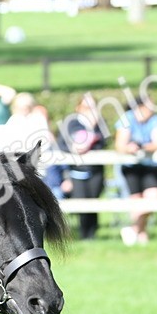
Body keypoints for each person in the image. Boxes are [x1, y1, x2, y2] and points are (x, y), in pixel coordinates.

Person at [57, 94, 107, 240]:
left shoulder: (100, 124)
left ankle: (92, 235)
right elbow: (67, 146)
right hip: (76, 171)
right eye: (86, 107)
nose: (89, 111)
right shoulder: (71, 123)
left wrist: (93, 127)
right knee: (81, 201)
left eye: (92, 107)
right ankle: (83, 234)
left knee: (93, 201)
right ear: (78, 107)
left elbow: (102, 143)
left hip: (95, 170)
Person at [114, 99, 157, 245]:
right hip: (131, 166)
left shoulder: (155, 119)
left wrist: (144, 147)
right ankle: (142, 236)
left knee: (154, 198)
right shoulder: (127, 118)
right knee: (136, 201)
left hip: (150, 165)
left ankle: (133, 230)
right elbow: (120, 145)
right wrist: (129, 148)